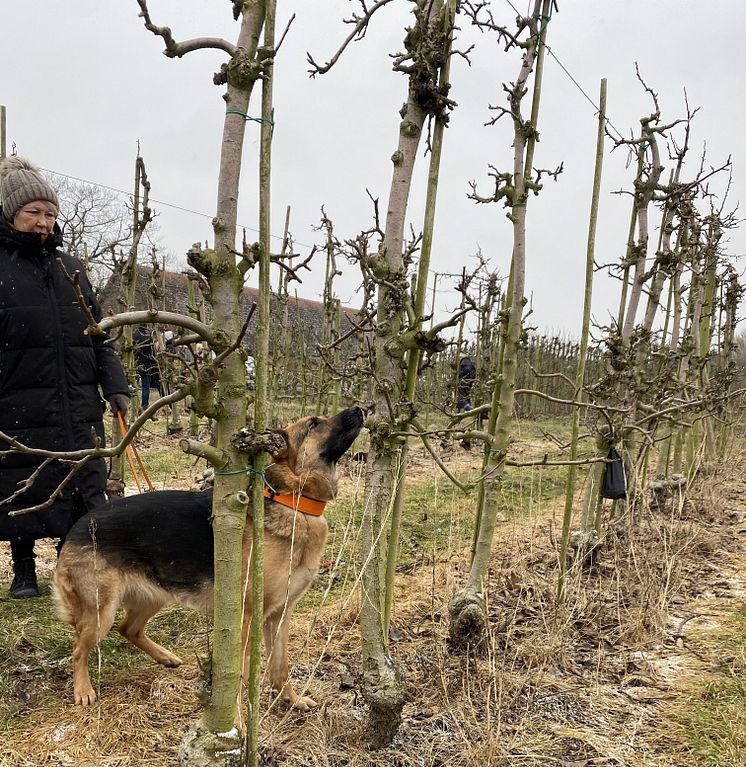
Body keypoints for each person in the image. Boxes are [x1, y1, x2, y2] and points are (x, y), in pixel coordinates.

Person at [0, 156, 130, 598]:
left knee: (81, 482)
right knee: (24, 481)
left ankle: (72, 566)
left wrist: (115, 384)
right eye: (33, 212)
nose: (43, 221)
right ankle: (23, 569)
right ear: (10, 212)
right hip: (17, 396)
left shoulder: (69, 267)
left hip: (77, 398)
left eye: (49, 213)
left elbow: (98, 334)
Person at [133, 324, 160, 408]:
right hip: (147, 365)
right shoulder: (148, 338)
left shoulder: (133, 336)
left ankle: (132, 404)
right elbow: (152, 353)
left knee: (133, 385)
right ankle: (144, 405)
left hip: (135, 363)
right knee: (145, 386)